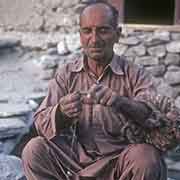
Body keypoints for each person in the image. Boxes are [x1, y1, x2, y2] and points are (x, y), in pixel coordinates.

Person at [22, 1, 180, 180]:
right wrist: (61, 112)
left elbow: (156, 118)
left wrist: (120, 102)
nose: (95, 39)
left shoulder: (135, 75)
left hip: (119, 163)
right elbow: (40, 123)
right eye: (87, 31)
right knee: (33, 150)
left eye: (103, 30)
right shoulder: (66, 74)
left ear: (117, 34)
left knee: (146, 157)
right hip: (74, 163)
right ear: (80, 35)